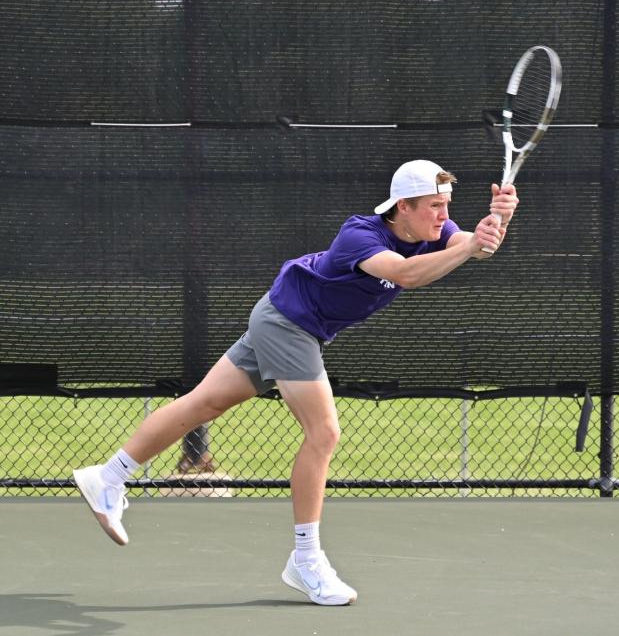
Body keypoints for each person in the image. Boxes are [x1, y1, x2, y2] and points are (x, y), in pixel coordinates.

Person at [73, 159, 518, 606]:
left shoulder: (434, 231)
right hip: (290, 325)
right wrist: (471, 246)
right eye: (434, 207)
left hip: (281, 315)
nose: (443, 216)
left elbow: (472, 247)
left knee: (203, 404)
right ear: (402, 206)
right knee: (324, 432)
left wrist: (498, 220)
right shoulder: (359, 235)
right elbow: (406, 274)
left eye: (447, 206)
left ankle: (107, 477)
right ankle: (306, 559)